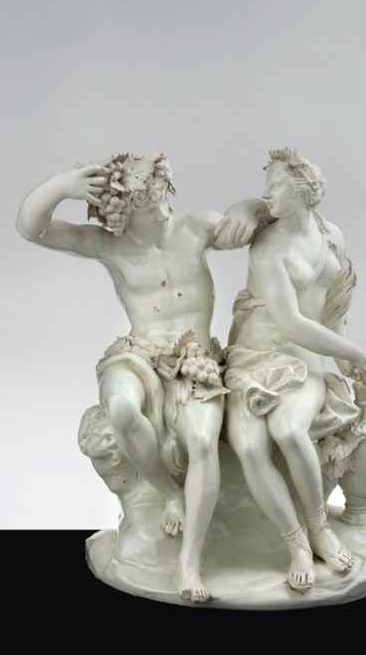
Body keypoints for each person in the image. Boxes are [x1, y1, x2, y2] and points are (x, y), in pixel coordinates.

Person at [16, 152, 266, 603]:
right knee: (123, 410)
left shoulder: (193, 227)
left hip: (195, 359)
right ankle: (169, 493)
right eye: (150, 208)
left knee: (202, 442)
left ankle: (189, 562)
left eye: (164, 198)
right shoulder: (109, 245)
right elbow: (31, 227)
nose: (164, 211)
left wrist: (251, 207)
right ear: (125, 213)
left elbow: (257, 223)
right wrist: (64, 185)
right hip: (138, 355)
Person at [225, 148, 366, 592]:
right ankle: (295, 544)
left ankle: (319, 529)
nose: (266, 194)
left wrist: (347, 362)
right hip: (254, 360)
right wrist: (357, 353)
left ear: (304, 192)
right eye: (266, 186)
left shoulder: (333, 238)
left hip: (303, 363)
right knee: (249, 445)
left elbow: (333, 311)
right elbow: (291, 322)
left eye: (275, 186)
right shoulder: (267, 248)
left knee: (290, 429)